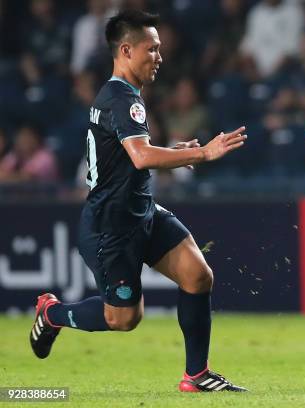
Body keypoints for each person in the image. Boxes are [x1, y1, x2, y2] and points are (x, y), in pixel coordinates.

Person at [29, 10, 248, 393]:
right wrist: (203, 154)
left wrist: (174, 151)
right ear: (126, 50)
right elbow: (142, 157)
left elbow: (132, 155)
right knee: (125, 318)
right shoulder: (121, 98)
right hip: (110, 226)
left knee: (198, 276)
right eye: (152, 49)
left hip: (141, 211)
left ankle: (196, 375)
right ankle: (53, 314)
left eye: (160, 49)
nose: (159, 57)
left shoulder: (123, 96)